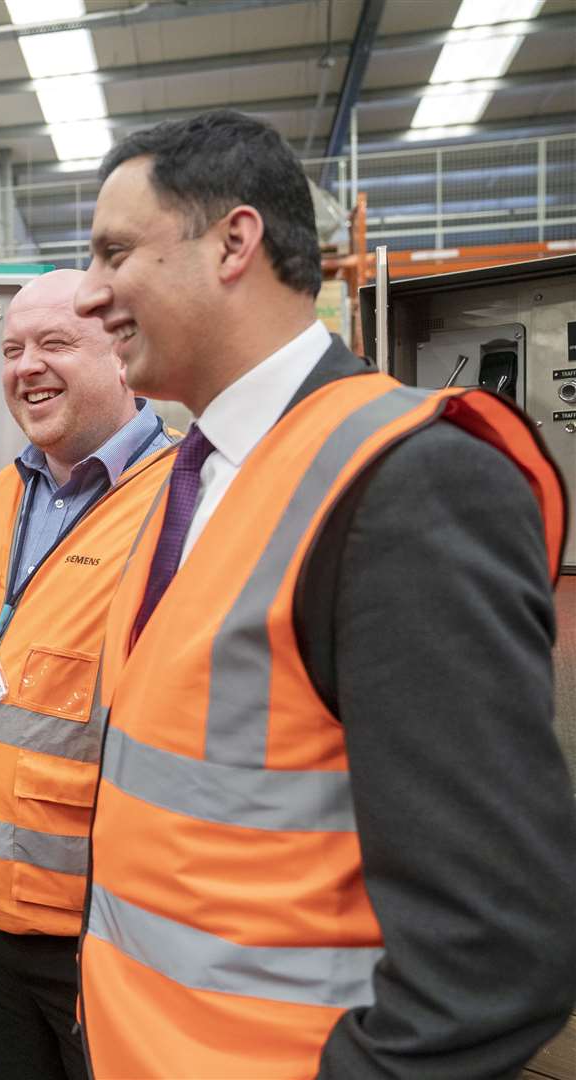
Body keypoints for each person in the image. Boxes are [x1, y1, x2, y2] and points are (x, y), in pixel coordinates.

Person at [71, 109, 576, 1078]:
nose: (91, 296)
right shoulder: (200, 473)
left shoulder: (405, 482)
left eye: (113, 253)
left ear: (233, 241)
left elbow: (494, 948)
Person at [0, 268, 173, 1080]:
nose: (24, 366)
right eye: (11, 350)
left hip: (101, 929)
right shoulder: (3, 491)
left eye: (54, 344)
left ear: (123, 355)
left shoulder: (185, 502)